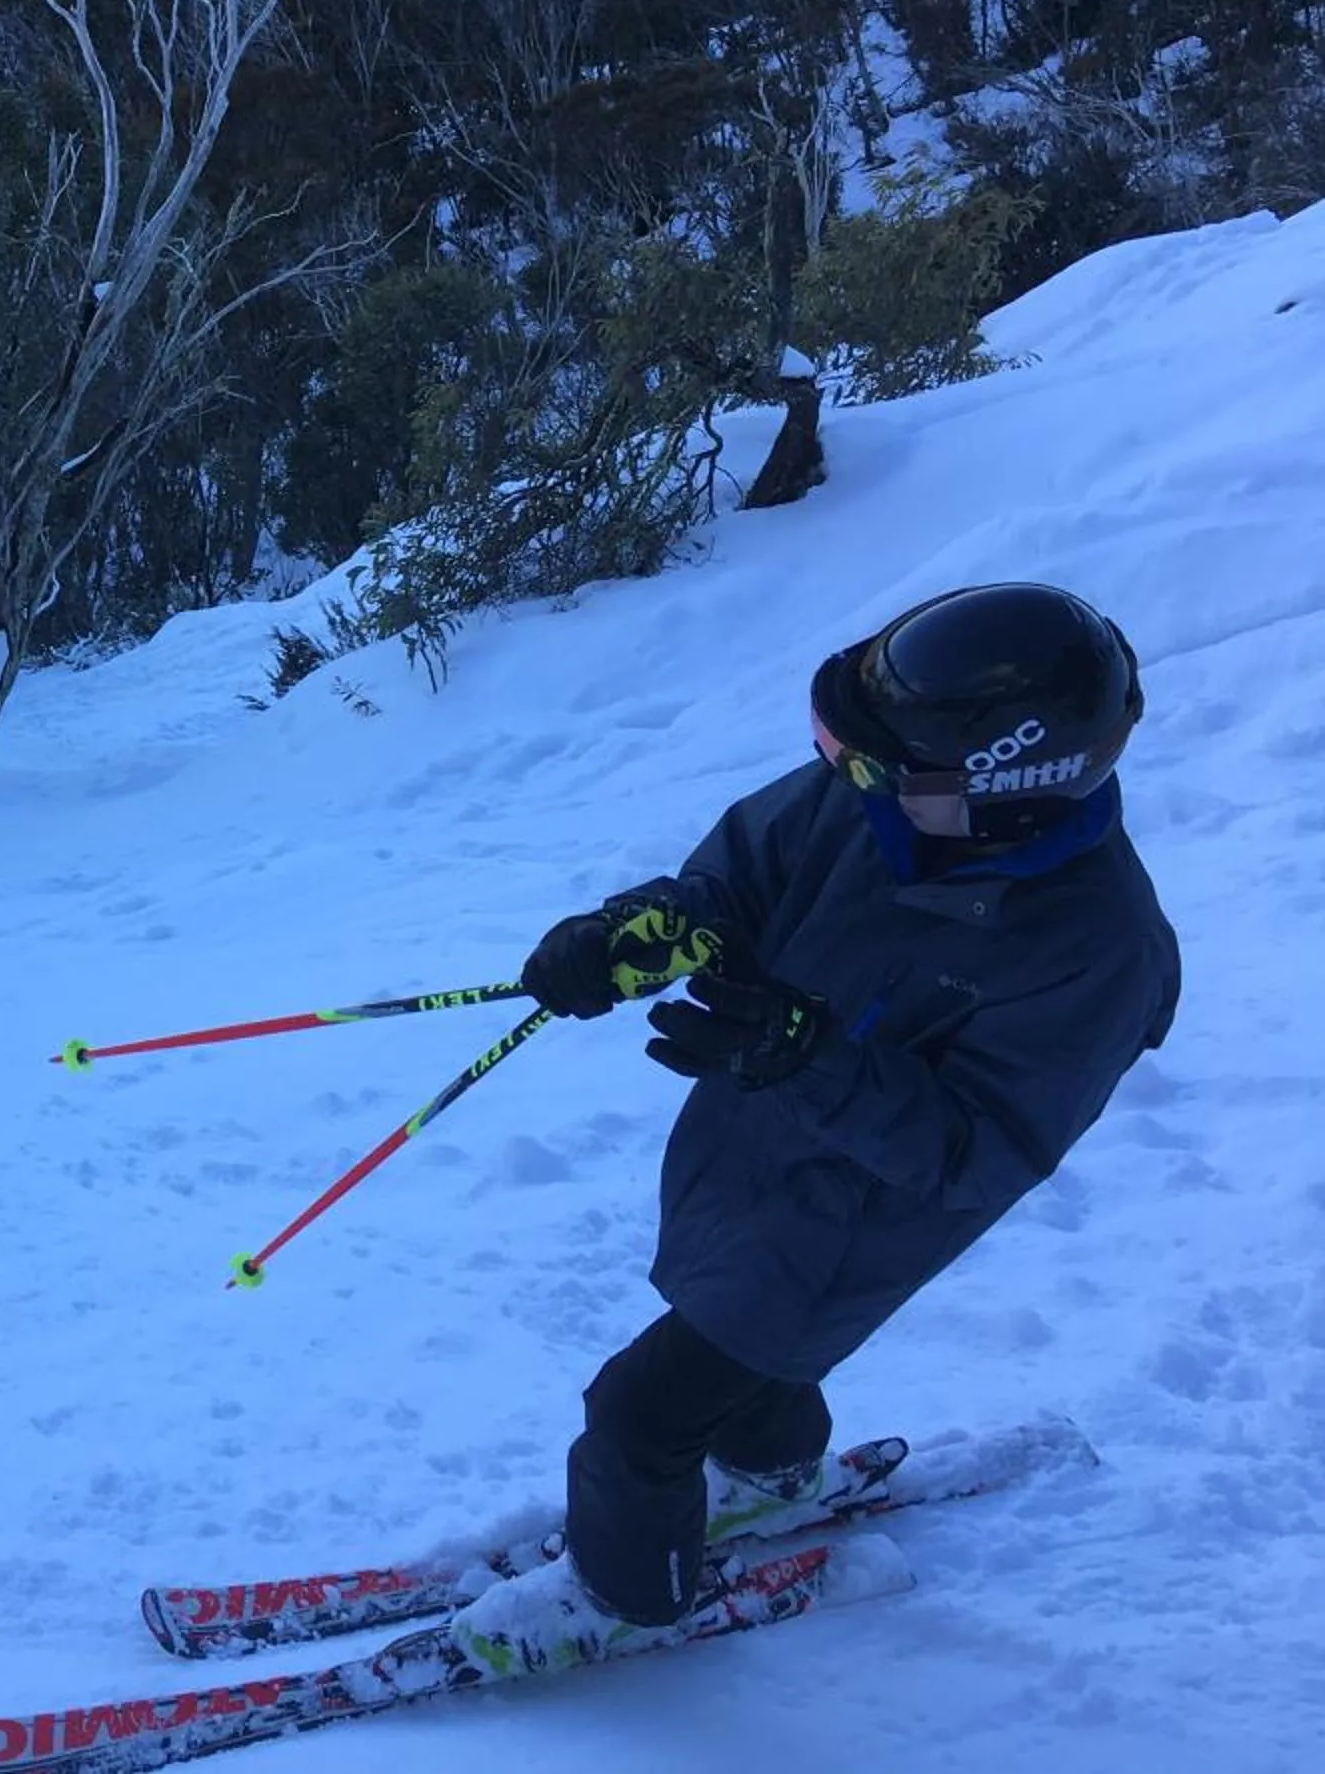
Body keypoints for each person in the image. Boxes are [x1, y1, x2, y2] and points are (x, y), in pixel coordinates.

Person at [456, 581, 1179, 1671]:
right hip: (759, 1141)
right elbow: (750, 866)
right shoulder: (888, 793)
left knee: (641, 1414)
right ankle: (769, 1474)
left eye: (875, 772)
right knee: (753, 1350)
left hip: (860, 1216)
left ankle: (626, 1597)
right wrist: (656, 927)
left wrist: (806, 1057)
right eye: (846, 757)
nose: (850, 782)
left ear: (1010, 792)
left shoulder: (1099, 953)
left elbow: (981, 1149)